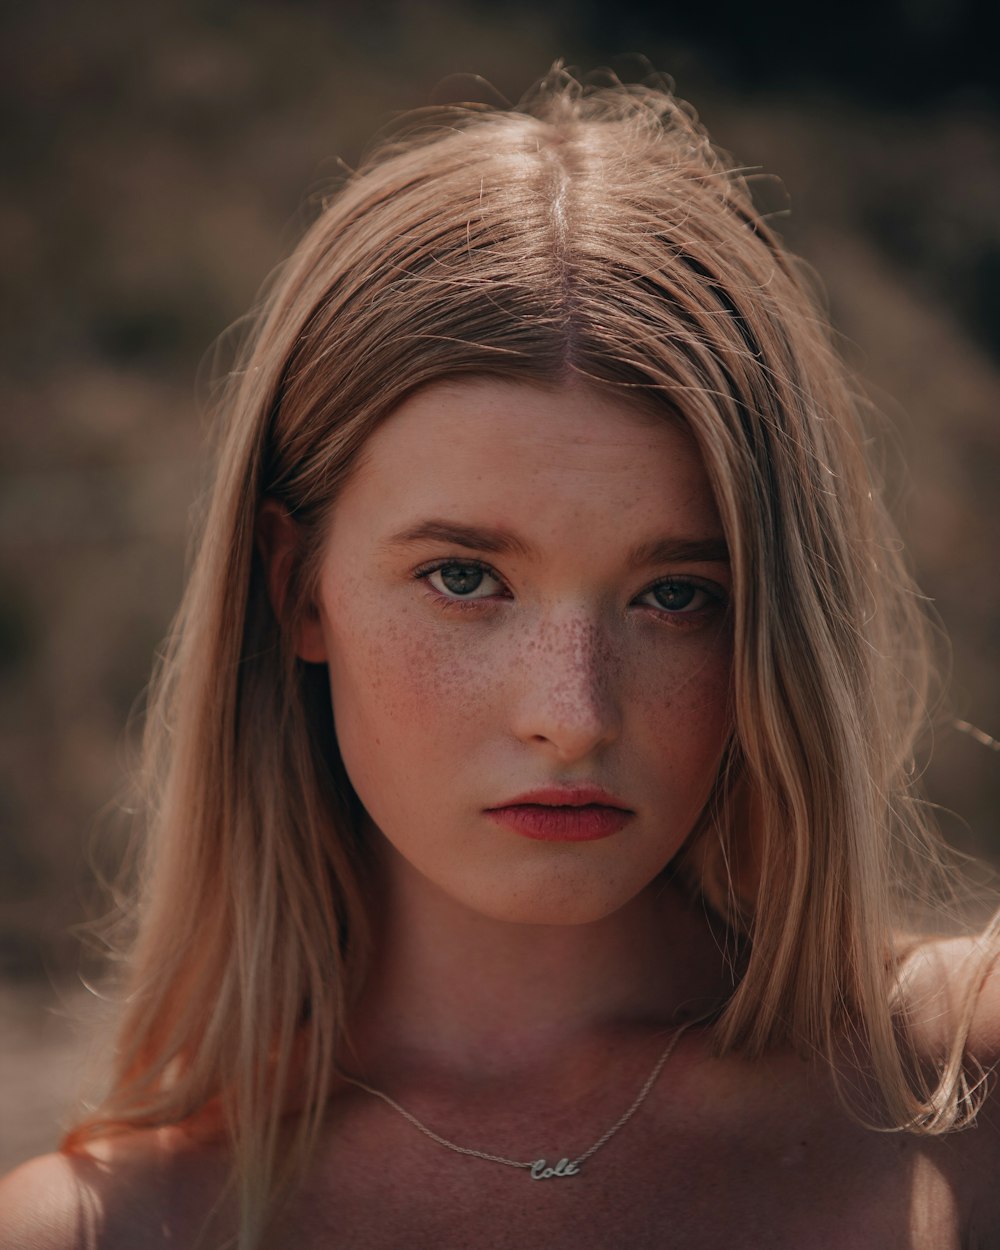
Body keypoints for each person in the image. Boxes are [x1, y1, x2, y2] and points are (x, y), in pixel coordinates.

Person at [1, 65, 999, 1250]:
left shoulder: (962, 1089)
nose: (571, 713)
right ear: (292, 584)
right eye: (464, 578)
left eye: (676, 593)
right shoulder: (117, 1228)